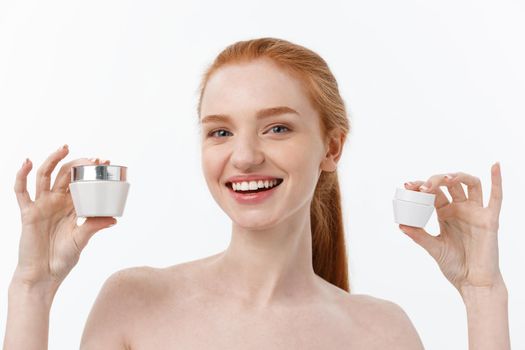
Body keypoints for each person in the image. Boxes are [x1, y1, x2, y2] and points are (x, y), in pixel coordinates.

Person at [3, 37, 510, 349]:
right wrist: (33, 287)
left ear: (332, 148)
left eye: (277, 129)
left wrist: (483, 294)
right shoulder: (134, 301)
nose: (243, 157)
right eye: (220, 132)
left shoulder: (382, 333)